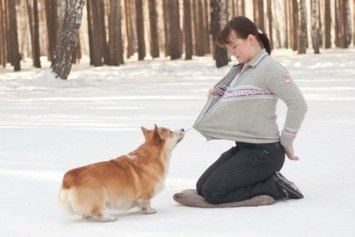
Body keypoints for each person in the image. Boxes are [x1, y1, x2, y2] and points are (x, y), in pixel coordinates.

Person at [174, 16, 307, 207]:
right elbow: (242, 104)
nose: (231, 52)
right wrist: (218, 96)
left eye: (234, 46)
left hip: (264, 152)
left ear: (251, 39)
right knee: (202, 186)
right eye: (229, 48)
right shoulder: (243, 70)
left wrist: (287, 141)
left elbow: (298, 105)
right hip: (245, 147)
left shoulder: (270, 68)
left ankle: (274, 186)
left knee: (213, 192)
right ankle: (258, 181)